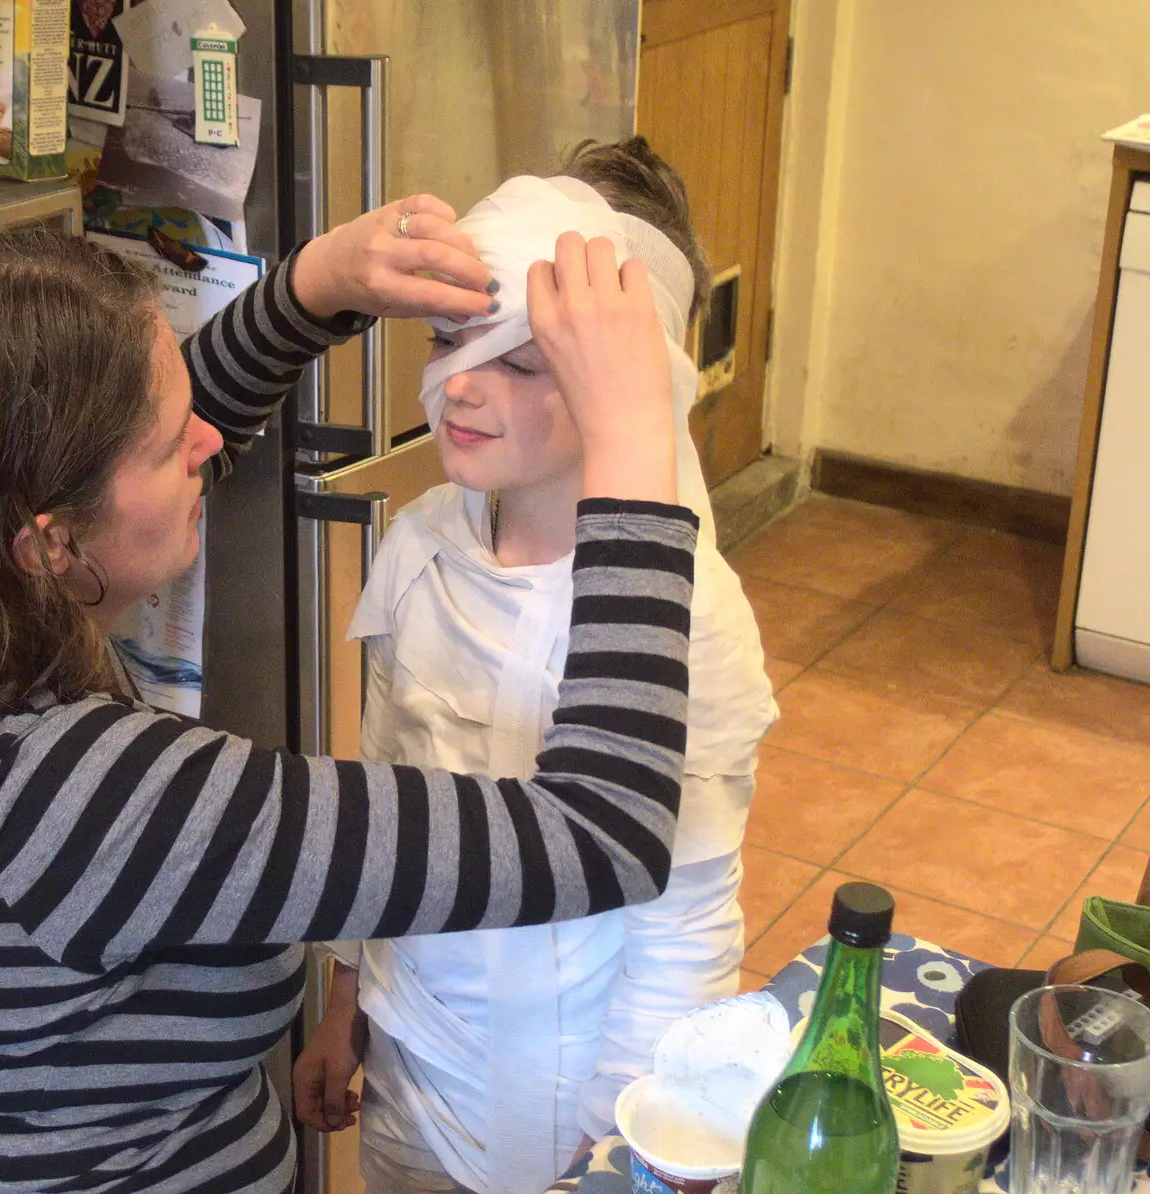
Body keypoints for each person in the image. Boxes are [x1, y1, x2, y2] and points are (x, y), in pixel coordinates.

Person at [0, 192, 703, 1194]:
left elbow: (156, 450)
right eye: (167, 438)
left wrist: (315, 286)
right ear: (50, 542)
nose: (210, 444)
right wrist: (630, 446)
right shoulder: (97, 799)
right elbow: (604, 833)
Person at [293, 139, 779, 1194]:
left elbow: (680, 935)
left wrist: (621, 1152)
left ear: (630, 379)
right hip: (414, 1071)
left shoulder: (685, 619)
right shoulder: (422, 546)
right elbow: (385, 800)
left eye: (522, 360)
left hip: (569, 1110)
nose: (461, 389)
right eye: (450, 341)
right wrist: (347, 1000)